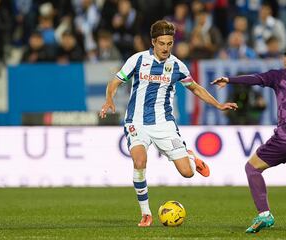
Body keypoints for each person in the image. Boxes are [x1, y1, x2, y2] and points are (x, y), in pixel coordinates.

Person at [100, 20, 238, 227]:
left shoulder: (177, 66)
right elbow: (115, 82)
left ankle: (190, 157)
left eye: (170, 43)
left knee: (187, 173)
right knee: (139, 162)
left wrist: (218, 105)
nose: (166, 48)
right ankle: (146, 213)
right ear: (153, 42)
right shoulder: (137, 60)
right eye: (162, 43)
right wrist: (109, 99)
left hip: (164, 124)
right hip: (136, 122)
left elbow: (196, 88)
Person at [212, 43, 286, 233]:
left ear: (285, 59)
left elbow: (255, 79)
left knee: (252, 168)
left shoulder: (280, 75)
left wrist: (228, 79)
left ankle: (264, 215)